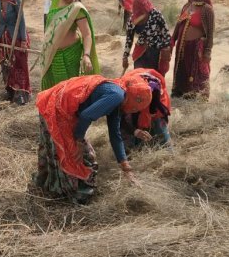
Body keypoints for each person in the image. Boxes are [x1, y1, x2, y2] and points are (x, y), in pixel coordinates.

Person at [33, 72, 153, 203]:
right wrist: (78, 141)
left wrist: (126, 169)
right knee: (74, 156)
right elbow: (86, 116)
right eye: (135, 109)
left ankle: (49, 186)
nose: (133, 111)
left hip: (61, 106)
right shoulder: (116, 95)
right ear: (134, 100)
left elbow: (115, 135)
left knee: (76, 154)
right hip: (57, 107)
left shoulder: (119, 96)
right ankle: (68, 195)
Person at [29, 0, 100, 90]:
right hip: (51, 53)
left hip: (70, 55)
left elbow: (86, 34)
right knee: (51, 88)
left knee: (68, 89)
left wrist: (86, 55)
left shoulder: (77, 9)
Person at [0, 0, 30, 104]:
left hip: (17, 38)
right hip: (3, 40)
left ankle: (21, 93)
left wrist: (23, 41)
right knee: (6, 64)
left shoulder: (16, 1)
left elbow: (21, 21)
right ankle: (10, 91)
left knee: (19, 65)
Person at [171, 0, 214, 99]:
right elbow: (178, 25)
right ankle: (180, 94)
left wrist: (207, 52)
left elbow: (210, 34)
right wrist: (172, 40)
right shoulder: (186, 6)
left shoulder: (207, 10)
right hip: (183, 47)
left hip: (197, 48)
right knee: (182, 71)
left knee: (198, 74)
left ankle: (199, 97)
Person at [120, 69, 172, 151]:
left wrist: (152, 111)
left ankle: (167, 149)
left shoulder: (152, 90)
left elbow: (155, 86)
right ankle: (134, 148)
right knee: (127, 127)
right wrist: (135, 131)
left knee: (158, 123)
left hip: (152, 97)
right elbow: (119, 120)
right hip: (134, 91)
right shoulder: (121, 97)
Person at [122, 0, 171, 75]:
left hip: (156, 53)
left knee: (155, 80)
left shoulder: (156, 14)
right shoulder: (132, 20)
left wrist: (167, 48)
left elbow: (165, 33)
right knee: (140, 78)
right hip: (140, 53)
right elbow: (129, 40)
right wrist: (125, 56)